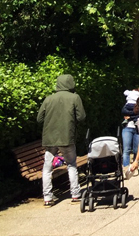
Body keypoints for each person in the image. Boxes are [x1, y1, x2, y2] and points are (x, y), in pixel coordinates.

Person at [37, 74, 86, 207]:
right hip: (67, 136)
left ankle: (47, 197)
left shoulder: (48, 99)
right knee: (71, 164)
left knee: (47, 168)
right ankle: (75, 194)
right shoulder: (75, 97)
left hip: (50, 138)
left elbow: (39, 119)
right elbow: (81, 117)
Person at [121, 83, 139, 178]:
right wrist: (136, 114)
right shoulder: (131, 98)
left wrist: (132, 115)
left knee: (136, 149)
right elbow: (124, 111)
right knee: (126, 149)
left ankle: (134, 167)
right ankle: (126, 168)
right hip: (128, 127)